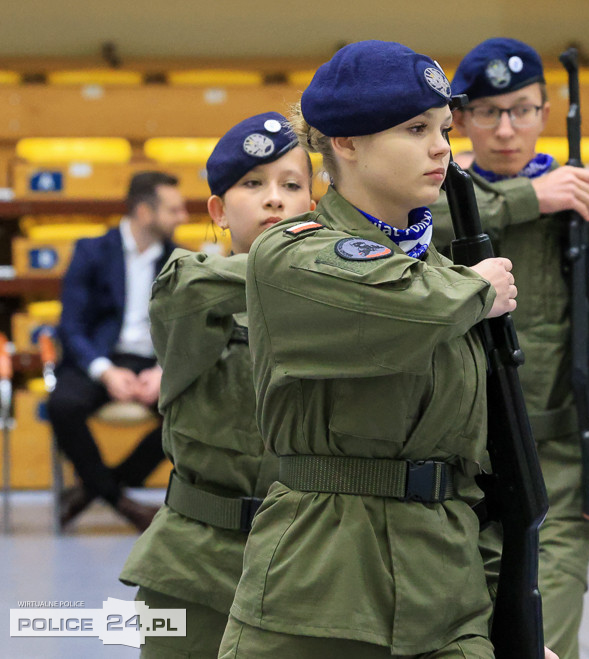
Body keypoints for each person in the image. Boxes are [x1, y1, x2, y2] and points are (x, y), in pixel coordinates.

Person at [217, 41, 539, 659]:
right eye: (415, 128)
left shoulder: (450, 279)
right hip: (320, 595)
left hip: (448, 597)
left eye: (444, 128)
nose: (442, 147)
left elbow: (484, 476)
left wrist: (518, 623)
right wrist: (476, 287)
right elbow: (400, 302)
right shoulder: (292, 254)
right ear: (346, 142)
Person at [431, 37, 589, 659]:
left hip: (556, 468)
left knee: (540, 639)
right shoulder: (428, 206)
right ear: (460, 120)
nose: (506, 128)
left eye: (522, 109)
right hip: (448, 465)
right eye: (488, 112)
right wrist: (529, 199)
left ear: (546, 114)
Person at [119, 112, 315, 657]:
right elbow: (188, 291)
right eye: (252, 184)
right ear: (219, 212)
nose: (273, 199)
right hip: (192, 564)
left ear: (313, 208)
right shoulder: (188, 292)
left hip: (304, 563)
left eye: (291, 185)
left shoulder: (334, 310)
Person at [49, 170, 188, 531]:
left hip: (152, 362)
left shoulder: (182, 260)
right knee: (63, 404)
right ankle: (121, 503)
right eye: (173, 210)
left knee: (191, 412)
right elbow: (71, 325)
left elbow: (188, 329)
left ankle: (97, 489)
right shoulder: (91, 251)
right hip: (99, 358)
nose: (182, 218)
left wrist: (164, 370)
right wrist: (104, 371)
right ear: (144, 212)